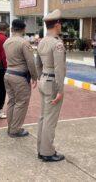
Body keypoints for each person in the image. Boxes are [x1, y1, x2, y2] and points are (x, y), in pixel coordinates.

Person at [35, 9, 66, 162]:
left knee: (43, 117)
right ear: (57, 25)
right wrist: (60, 90)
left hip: (43, 80)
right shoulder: (57, 44)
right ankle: (47, 152)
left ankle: (41, 149)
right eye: (60, 23)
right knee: (50, 119)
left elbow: (37, 64)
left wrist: (41, 78)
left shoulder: (42, 41)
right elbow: (59, 69)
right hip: (52, 83)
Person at [3, 19, 38, 137]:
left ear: (12, 28)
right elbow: (30, 62)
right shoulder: (24, 43)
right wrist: (34, 76)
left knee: (12, 101)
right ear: (24, 29)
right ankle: (15, 129)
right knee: (21, 102)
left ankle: (10, 126)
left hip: (8, 74)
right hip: (19, 76)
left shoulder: (7, 42)